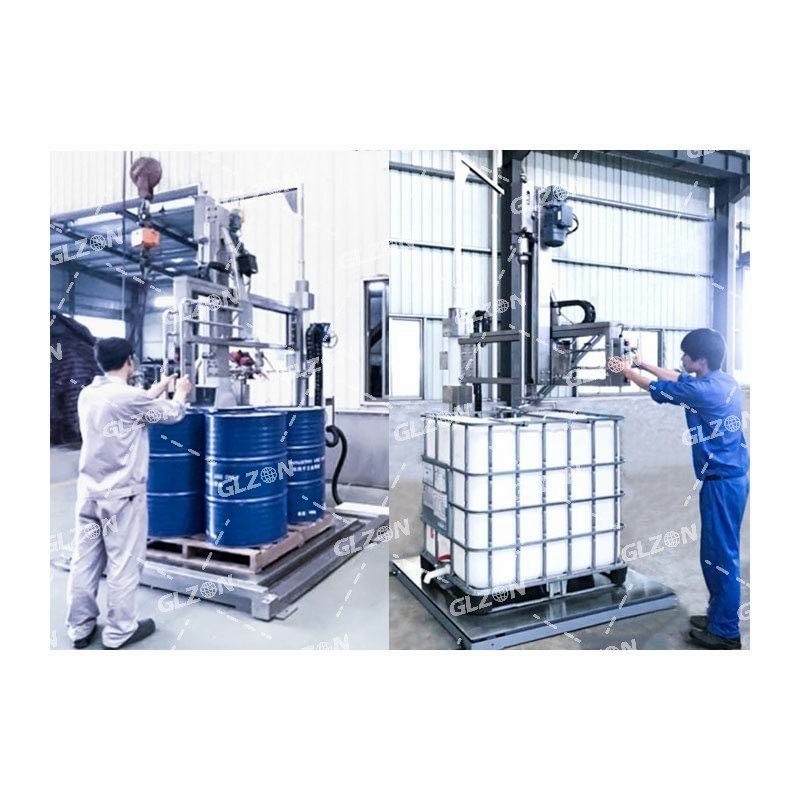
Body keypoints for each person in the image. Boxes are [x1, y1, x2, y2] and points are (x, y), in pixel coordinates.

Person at [621, 328, 749, 650]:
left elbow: (661, 388)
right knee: (716, 554)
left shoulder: (702, 392)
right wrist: (643, 364)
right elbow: (679, 379)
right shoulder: (723, 382)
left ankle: (726, 632)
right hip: (731, 479)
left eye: (686, 355)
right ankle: (718, 616)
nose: (681, 359)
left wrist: (627, 372)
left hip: (721, 485)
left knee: (721, 557)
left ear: (700, 361)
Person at [66, 337, 192, 650]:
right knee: (123, 562)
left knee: (85, 561)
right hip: (122, 497)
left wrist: (158, 387)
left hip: (89, 494)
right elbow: (172, 414)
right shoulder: (129, 398)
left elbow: (130, 407)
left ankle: (80, 628)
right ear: (129, 362)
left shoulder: (89, 394)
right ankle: (119, 631)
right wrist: (180, 393)